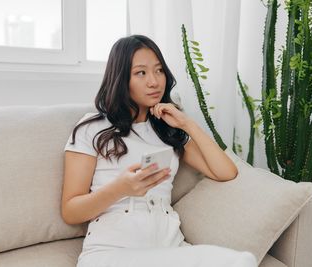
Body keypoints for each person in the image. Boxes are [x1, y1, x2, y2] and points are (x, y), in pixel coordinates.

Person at [61, 35, 257, 267]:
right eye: (141, 73)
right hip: (114, 249)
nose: (154, 82)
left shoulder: (168, 130)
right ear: (121, 78)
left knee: (238, 262)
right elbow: (70, 211)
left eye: (159, 71)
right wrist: (120, 189)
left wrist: (187, 124)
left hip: (168, 243)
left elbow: (226, 172)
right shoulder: (93, 128)